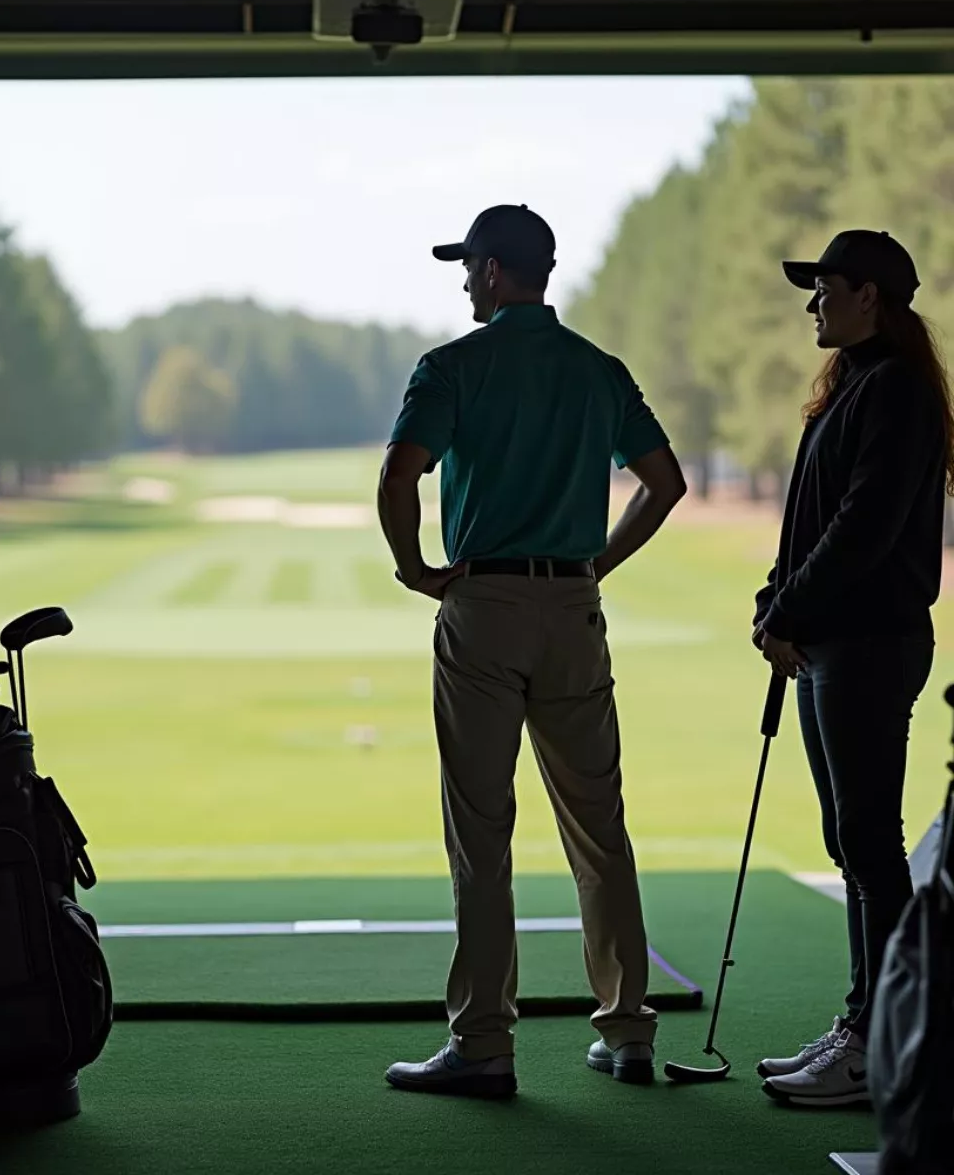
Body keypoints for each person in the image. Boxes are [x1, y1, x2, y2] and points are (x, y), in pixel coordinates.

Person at [376, 205, 687, 1098]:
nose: (465, 281)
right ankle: (628, 1031)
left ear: (496, 271)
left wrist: (416, 570)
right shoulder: (599, 370)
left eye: (470, 266)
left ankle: (484, 1045)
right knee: (600, 828)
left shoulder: (451, 366)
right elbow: (665, 483)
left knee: (482, 834)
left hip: (484, 605)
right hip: (572, 608)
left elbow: (402, 472)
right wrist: (598, 563)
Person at [754, 230, 951, 1109]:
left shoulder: (898, 393)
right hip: (834, 641)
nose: (814, 303)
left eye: (826, 287)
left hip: (870, 643)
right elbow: (811, 521)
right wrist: (775, 601)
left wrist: (790, 607)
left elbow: (864, 530)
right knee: (852, 841)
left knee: (871, 844)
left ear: (870, 295)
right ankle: (863, 1024)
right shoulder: (853, 388)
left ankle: (882, 1044)